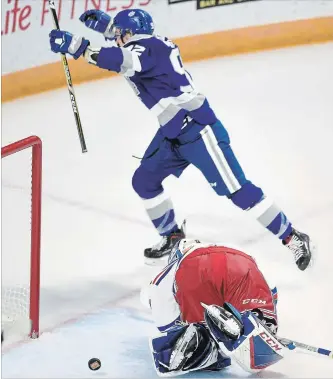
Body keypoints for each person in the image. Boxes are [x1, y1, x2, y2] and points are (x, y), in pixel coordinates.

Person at [48, 8, 313, 270]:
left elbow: (124, 60)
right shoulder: (147, 44)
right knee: (144, 181)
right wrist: (108, 28)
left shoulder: (148, 48)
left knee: (238, 191)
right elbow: (126, 50)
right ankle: (172, 236)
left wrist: (78, 47)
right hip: (172, 131)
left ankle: (292, 237)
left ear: (130, 34)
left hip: (198, 130)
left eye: (120, 34)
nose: (116, 37)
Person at [140, 238, 285, 376]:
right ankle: (257, 321)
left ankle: (209, 340)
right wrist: (266, 311)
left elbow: (168, 325)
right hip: (242, 262)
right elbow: (271, 288)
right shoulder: (225, 246)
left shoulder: (162, 278)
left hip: (193, 268)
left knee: (188, 338)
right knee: (262, 324)